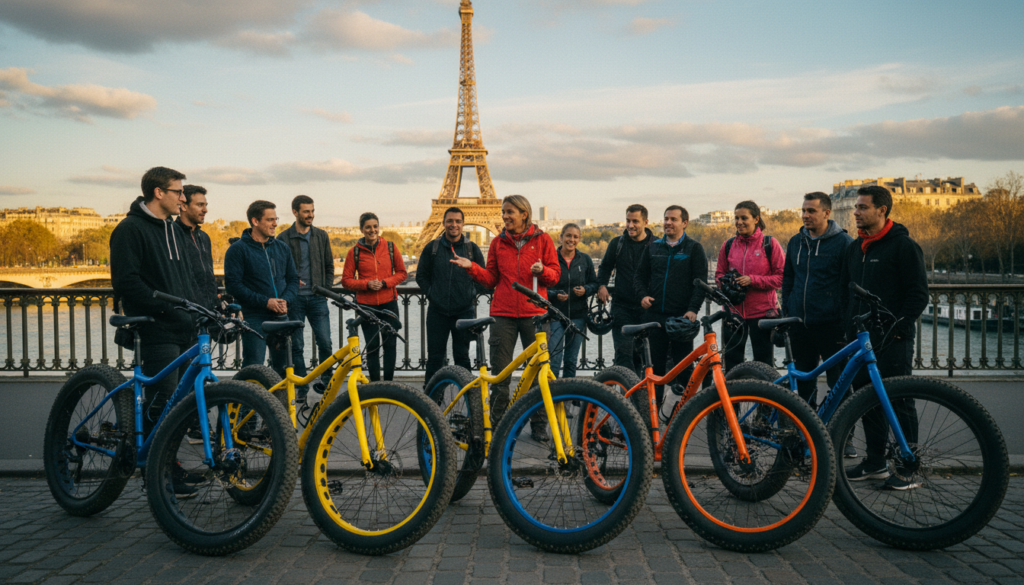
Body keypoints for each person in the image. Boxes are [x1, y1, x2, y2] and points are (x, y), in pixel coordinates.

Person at [839, 186, 928, 489]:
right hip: (861, 342)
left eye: (863, 207)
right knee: (868, 403)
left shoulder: (903, 246)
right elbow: (845, 293)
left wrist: (899, 328)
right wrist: (846, 331)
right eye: (856, 207)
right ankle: (875, 462)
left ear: (882, 210)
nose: (856, 213)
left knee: (900, 402)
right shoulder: (854, 248)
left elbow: (918, 294)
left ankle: (908, 468)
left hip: (894, 340)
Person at [451, 195, 559, 441]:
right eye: (503, 212)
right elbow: (490, 279)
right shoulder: (498, 243)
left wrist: (543, 271)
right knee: (501, 374)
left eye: (510, 212)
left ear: (524, 213)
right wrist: (472, 267)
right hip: (503, 314)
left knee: (539, 375)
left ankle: (539, 426)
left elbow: (555, 275)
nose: (505, 216)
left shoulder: (543, 240)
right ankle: (499, 426)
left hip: (535, 315)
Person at [109, 167, 195, 439]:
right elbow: (127, 282)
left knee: (183, 404)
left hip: (185, 326)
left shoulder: (175, 230)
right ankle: (157, 470)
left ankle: (165, 464)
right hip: (156, 328)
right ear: (159, 193)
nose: (183, 198)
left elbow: (186, 280)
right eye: (178, 192)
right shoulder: (129, 229)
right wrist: (166, 307)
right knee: (163, 401)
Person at [781, 192, 853, 408]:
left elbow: (847, 286)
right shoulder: (796, 241)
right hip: (799, 325)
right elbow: (788, 279)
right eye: (803, 210)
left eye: (811, 211)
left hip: (831, 326)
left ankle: (841, 435)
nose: (805, 215)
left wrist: (844, 322)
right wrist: (787, 309)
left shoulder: (844, 243)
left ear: (826, 213)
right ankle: (806, 433)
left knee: (839, 383)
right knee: (803, 384)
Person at [635, 205, 708, 410]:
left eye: (673, 219)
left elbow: (700, 282)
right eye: (666, 218)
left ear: (684, 223)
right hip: (655, 316)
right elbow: (639, 277)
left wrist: (693, 309)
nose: (668, 222)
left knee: (684, 369)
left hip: (681, 318)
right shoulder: (653, 247)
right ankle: (653, 414)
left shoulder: (694, 248)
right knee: (655, 369)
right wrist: (642, 295)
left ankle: (687, 413)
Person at [224, 200, 299, 377]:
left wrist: (285, 300)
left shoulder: (282, 248)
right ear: (255, 221)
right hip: (254, 318)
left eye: (276, 218)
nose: (275, 223)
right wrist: (266, 302)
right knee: (254, 368)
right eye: (270, 219)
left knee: (283, 370)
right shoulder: (237, 250)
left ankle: (279, 405)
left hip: (281, 317)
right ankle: (246, 404)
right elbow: (233, 285)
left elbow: (293, 279)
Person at [416, 206, 486, 386]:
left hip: (464, 313)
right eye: (450, 221)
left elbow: (483, 277)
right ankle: (431, 404)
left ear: (463, 224)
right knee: (434, 360)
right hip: (437, 313)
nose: (453, 225)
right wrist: (433, 294)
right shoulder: (432, 248)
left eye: (457, 221)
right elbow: (421, 276)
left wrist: (469, 293)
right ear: (443, 223)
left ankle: (471, 404)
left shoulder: (472, 249)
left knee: (462, 358)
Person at [715, 200, 785, 372]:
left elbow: (781, 278)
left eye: (744, 218)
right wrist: (728, 282)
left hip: (762, 313)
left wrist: (752, 280)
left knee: (764, 365)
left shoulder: (770, 244)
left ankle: (764, 398)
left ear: (756, 219)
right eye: (736, 218)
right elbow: (719, 275)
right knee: (732, 364)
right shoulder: (728, 245)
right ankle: (733, 399)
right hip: (733, 313)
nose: (739, 222)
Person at [278, 195, 335, 402]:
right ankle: (302, 387)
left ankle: (327, 383)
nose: (310, 215)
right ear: (295, 212)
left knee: (326, 343)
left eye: (312, 211)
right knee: (297, 346)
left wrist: (326, 289)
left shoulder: (321, 236)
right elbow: (278, 270)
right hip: (295, 300)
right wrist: (289, 286)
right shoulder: (283, 238)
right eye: (306, 211)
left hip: (318, 298)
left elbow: (329, 266)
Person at [341, 212, 407, 382]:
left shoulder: (391, 247)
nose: (372, 230)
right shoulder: (354, 252)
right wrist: (366, 284)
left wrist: (385, 283)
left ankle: (389, 384)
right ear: (362, 229)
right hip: (366, 306)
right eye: (368, 227)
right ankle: (376, 386)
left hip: (389, 304)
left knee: (390, 345)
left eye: (375, 226)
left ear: (379, 227)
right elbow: (346, 281)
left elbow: (402, 273)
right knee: (372, 347)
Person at [596, 204, 655, 376]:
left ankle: (644, 399)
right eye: (628, 221)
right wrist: (602, 285)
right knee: (623, 356)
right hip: (622, 307)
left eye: (635, 221)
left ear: (646, 222)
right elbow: (605, 267)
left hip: (648, 308)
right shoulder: (617, 243)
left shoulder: (656, 245)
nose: (630, 225)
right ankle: (626, 398)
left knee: (646, 357)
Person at [547, 223, 598, 378]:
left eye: (575, 236)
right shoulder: (550, 259)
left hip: (578, 316)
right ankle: (554, 399)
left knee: (571, 361)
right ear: (561, 237)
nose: (572, 239)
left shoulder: (585, 260)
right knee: (554, 361)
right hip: (555, 316)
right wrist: (555, 295)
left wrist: (586, 290)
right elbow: (541, 288)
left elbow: (594, 283)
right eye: (568, 235)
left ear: (579, 239)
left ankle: (568, 397)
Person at [175, 184, 218, 311]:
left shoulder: (204, 237)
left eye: (206, 205)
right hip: (187, 311)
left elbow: (209, 273)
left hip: (210, 312)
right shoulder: (172, 235)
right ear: (183, 206)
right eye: (200, 205)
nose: (205, 210)